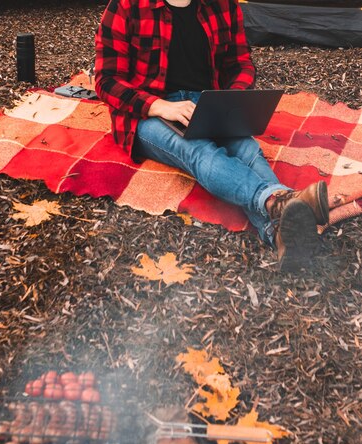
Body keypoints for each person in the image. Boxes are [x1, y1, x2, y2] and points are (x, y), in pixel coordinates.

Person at [95, 0, 329, 272]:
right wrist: (157, 106)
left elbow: (241, 63)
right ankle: (277, 200)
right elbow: (106, 80)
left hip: (208, 102)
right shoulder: (126, 6)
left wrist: (232, 101)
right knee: (198, 150)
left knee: (246, 149)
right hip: (149, 112)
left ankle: (276, 233)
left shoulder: (223, 4)